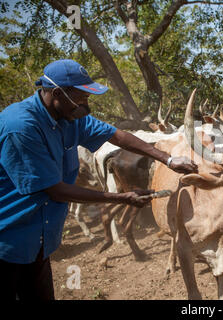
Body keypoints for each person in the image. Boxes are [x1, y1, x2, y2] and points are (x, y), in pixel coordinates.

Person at [0, 59, 197, 300]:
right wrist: (121, 197)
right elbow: (55, 191)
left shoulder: (69, 117)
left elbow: (118, 136)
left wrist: (167, 159)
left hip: (39, 238)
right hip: (8, 238)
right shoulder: (21, 127)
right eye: (81, 98)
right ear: (57, 93)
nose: (86, 105)